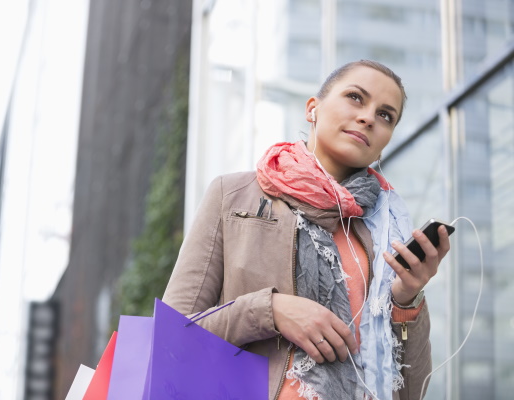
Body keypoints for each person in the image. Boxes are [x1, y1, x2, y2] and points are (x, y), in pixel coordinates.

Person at [163, 60, 451, 400]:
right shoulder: (233, 195)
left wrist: (406, 300)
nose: (369, 117)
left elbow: (410, 391)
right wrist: (272, 311)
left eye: (385, 115)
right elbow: (171, 338)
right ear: (312, 108)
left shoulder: (385, 230)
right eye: (355, 97)